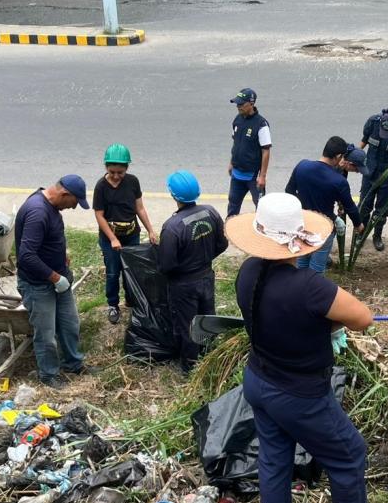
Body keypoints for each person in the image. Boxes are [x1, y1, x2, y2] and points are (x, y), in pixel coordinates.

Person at [227, 192, 388, 503]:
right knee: (348, 451)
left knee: (274, 458)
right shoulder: (309, 287)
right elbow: (364, 318)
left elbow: (285, 316)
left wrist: (321, 324)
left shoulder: (249, 272)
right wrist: (332, 324)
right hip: (299, 393)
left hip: (259, 379)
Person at [15, 176, 95, 390]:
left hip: (59, 279)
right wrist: (54, 277)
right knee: (46, 334)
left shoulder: (50, 207)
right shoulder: (37, 212)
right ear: (64, 194)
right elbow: (26, 256)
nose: (73, 207)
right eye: (74, 203)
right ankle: (48, 374)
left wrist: (61, 255)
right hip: (38, 285)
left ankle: (73, 364)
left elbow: (47, 239)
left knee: (70, 324)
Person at [157, 171, 228, 372]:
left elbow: (166, 265)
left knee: (187, 325)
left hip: (183, 285)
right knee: (207, 317)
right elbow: (222, 244)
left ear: (173, 195)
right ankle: (209, 355)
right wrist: (204, 259)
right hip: (206, 276)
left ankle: (190, 367)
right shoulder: (211, 212)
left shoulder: (172, 227)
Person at [93, 144, 157, 325]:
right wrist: (113, 239)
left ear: (127, 168)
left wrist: (150, 230)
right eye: (112, 172)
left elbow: (140, 208)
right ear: (106, 168)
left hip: (131, 234)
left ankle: (131, 299)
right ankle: (113, 304)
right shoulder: (101, 187)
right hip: (110, 238)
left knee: (132, 270)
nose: (116, 176)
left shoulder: (133, 182)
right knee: (113, 272)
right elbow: (99, 215)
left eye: (120, 172)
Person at [285, 137, 365, 273]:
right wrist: (358, 224)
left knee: (301, 262)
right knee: (316, 270)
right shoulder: (339, 181)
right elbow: (350, 207)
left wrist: (305, 208)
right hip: (324, 228)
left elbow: (289, 192)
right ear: (338, 156)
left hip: (303, 225)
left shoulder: (302, 166)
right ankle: (312, 286)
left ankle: (298, 284)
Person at [358, 108, 388, 251]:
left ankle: (377, 236)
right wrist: (354, 157)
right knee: (364, 205)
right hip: (369, 172)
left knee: (382, 209)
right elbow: (363, 141)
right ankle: (361, 234)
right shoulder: (372, 122)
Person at [227, 87, 272, 217]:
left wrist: (262, 176)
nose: (238, 106)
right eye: (237, 104)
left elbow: (266, 151)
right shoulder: (237, 120)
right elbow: (236, 143)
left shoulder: (261, 124)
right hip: (237, 175)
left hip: (253, 177)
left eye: (241, 104)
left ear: (251, 104)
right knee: (232, 207)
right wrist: (231, 162)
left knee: (261, 208)